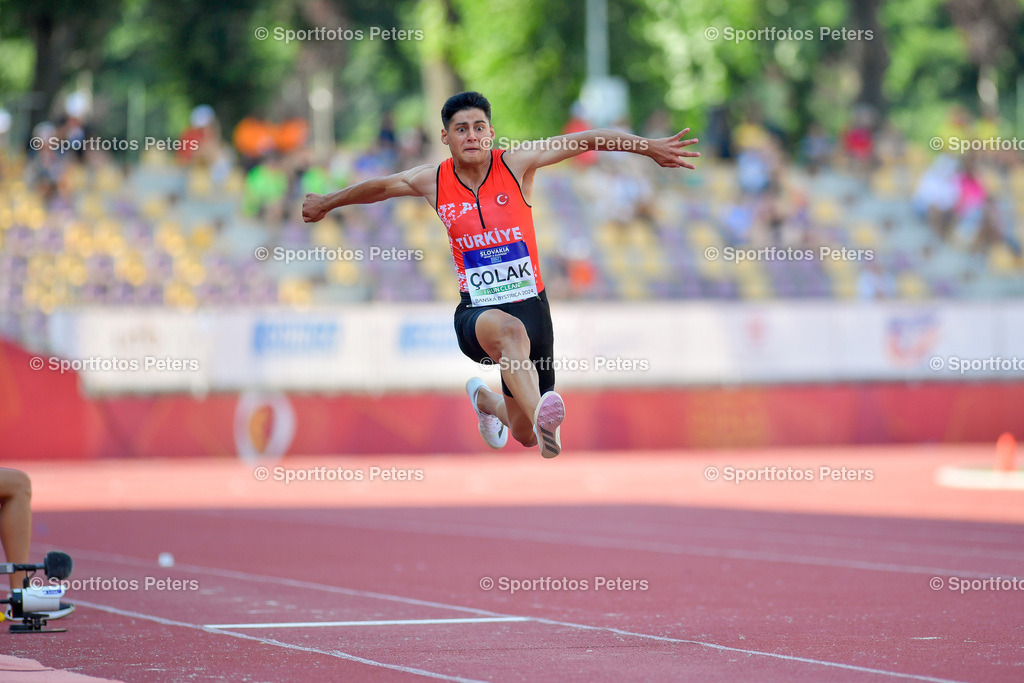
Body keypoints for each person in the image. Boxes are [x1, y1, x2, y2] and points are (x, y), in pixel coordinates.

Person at [302, 92, 699, 458]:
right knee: (510, 333)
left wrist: (650, 148)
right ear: (446, 136)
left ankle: (488, 402)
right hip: (478, 313)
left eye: (479, 128)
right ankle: (545, 416)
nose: (471, 136)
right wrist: (326, 202)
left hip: (533, 308)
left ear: (491, 132)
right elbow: (381, 188)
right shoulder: (433, 180)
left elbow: (586, 139)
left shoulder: (516, 164)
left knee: (524, 435)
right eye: (461, 129)